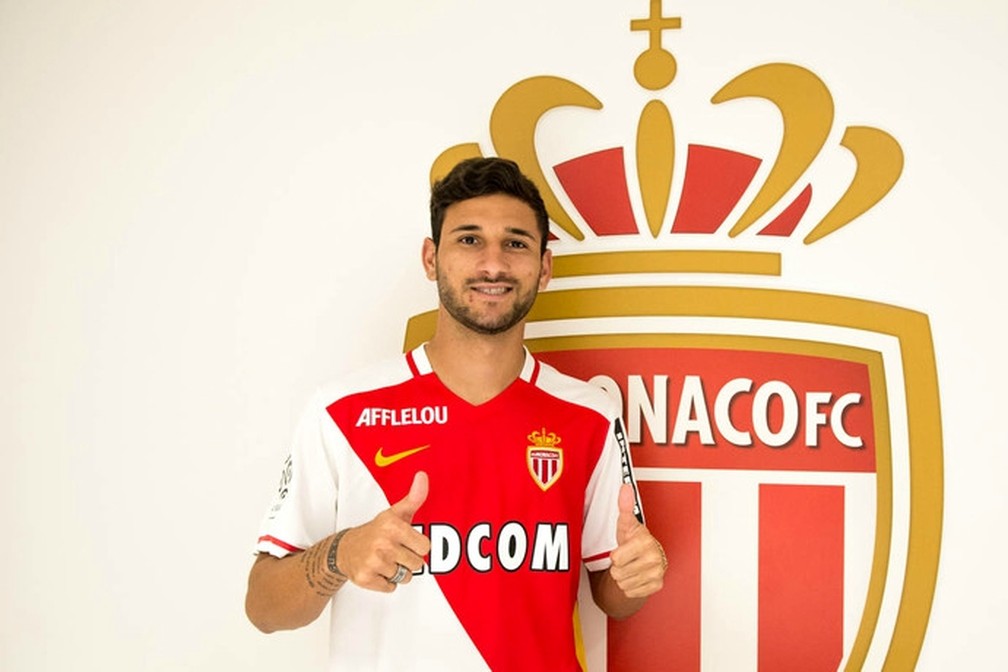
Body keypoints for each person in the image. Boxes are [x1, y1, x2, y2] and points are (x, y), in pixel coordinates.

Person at [245, 157, 667, 671]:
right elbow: (263, 607)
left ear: (544, 268)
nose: (493, 265)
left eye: (516, 243)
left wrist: (636, 575)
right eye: (469, 240)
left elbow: (614, 596)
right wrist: (342, 553)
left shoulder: (590, 414)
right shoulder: (341, 411)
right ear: (431, 258)